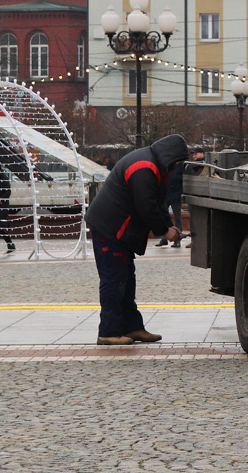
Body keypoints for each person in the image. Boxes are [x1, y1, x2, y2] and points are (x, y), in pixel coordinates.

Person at [85, 134, 188, 345]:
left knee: (126, 279)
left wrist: (168, 226)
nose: (176, 167)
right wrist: (164, 231)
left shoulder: (152, 164)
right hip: (110, 228)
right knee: (114, 281)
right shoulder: (144, 167)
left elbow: (156, 202)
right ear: (170, 157)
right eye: (176, 163)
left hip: (117, 229)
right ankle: (109, 332)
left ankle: (132, 327)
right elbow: (146, 205)